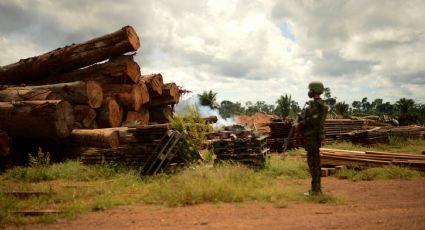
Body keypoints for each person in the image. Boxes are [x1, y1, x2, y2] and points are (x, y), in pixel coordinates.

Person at [295, 81, 329, 196]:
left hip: (312, 137)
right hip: (315, 137)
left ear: (313, 91)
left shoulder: (316, 106)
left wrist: (299, 125)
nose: (308, 92)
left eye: (310, 90)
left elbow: (312, 122)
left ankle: (315, 190)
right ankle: (316, 189)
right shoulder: (319, 105)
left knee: (313, 163)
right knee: (315, 162)